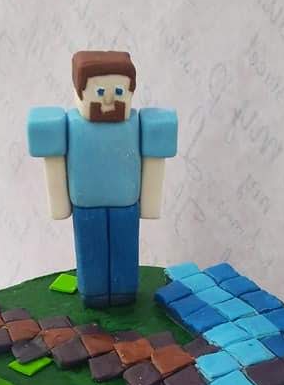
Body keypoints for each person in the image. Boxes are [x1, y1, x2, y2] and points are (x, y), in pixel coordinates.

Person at [28, 50, 178, 308]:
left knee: (124, 248)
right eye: (99, 91)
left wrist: (150, 205)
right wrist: (60, 205)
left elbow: (155, 160)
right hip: (86, 206)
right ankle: (94, 293)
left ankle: (124, 292)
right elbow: (53, 160)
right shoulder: (70, 124)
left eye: (119, 91)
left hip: (125, 205)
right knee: (91, 250)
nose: (109, 99)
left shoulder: (136, 124)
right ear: (79, 92)